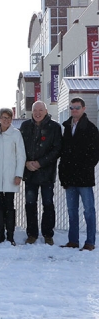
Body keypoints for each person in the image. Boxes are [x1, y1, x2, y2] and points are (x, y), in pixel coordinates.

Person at [58, 97, 99, 251]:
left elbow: (94, 155)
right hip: (69, 177)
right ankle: (73, 240)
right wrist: (63, 174)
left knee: (89, 211)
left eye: (77, 107)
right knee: (71, 211)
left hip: (84, 178)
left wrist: (83, 169)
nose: (74, 110)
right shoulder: (67, 128)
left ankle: (90, 242)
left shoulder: (91, 128)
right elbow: (64, 153)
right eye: (72, 107)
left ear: (83, 108)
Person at [19, 101, 62, 245]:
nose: (37, 113)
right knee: (30, 204)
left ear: (46, 111)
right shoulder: (25, 126)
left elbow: (56, 149)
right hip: (30, 173)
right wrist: (26, 163)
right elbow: (20, 148)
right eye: (35, 110)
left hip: (46, 173)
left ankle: (48, 234)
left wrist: (40, 163)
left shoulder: (54, 127)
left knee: (48, 204)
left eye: (40, 110)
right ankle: (32, 234)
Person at [0, 108, 26, 246]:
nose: (6, 120)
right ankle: (0, 233)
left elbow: (21, 156)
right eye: (3, 117)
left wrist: (18, 174)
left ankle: (10, 235)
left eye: (8, 117)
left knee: (9, 205)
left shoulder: (15, 134)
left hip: (10, 175)